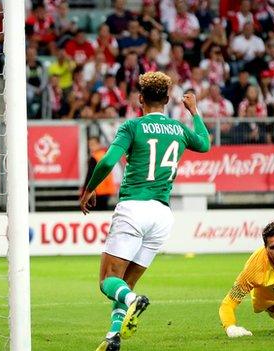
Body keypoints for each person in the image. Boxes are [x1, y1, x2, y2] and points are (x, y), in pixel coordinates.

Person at [80, 72, 210, 351]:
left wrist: (89, 189)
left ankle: (133, 301)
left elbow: (106, 163)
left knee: (108, 281)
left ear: (140, 99)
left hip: (133, 208)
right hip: (162, 215)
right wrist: (195, 112)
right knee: (125, 283)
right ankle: (113, 336)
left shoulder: (132, 127)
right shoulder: (179, 129)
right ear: (166, 100)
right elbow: (205, 143)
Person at [84, 137, 117, 211]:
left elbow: (90, 175)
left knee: (96, 211)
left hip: (98, 190)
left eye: (92, 144)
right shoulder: (104, 155)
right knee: (104, 210)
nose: (91, 147)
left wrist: (85, 190)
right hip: (107, 189)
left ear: (98, 144)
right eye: (89, 145)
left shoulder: (94, 157)